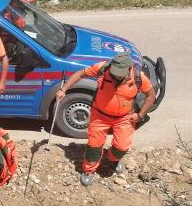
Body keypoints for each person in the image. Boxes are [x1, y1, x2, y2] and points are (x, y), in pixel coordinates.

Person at [56, 52, 155, 186]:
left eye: (119, 73)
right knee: (94, 146)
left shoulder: (138, 77)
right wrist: (63, 90)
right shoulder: (102, 68)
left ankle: (114, 159)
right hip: (100, 116)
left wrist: (140, 115)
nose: (115, 76)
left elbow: (150, 96)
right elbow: (80, 74)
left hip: (124, 118)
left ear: (129, 68)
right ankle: (88, 170)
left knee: (122, 146)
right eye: (114, 72)